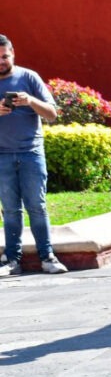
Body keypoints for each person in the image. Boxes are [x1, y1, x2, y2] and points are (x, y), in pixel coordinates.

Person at [0, 33, 68, 276]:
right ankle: (11, 260)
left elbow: (52, 114)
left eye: (5, 56)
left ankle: (47, 257)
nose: (1, 61)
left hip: (31, 153)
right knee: (9, 210)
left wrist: (30, 101)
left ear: (13, 53)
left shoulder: (29, 77)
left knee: (37, 206)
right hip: (2, 155)